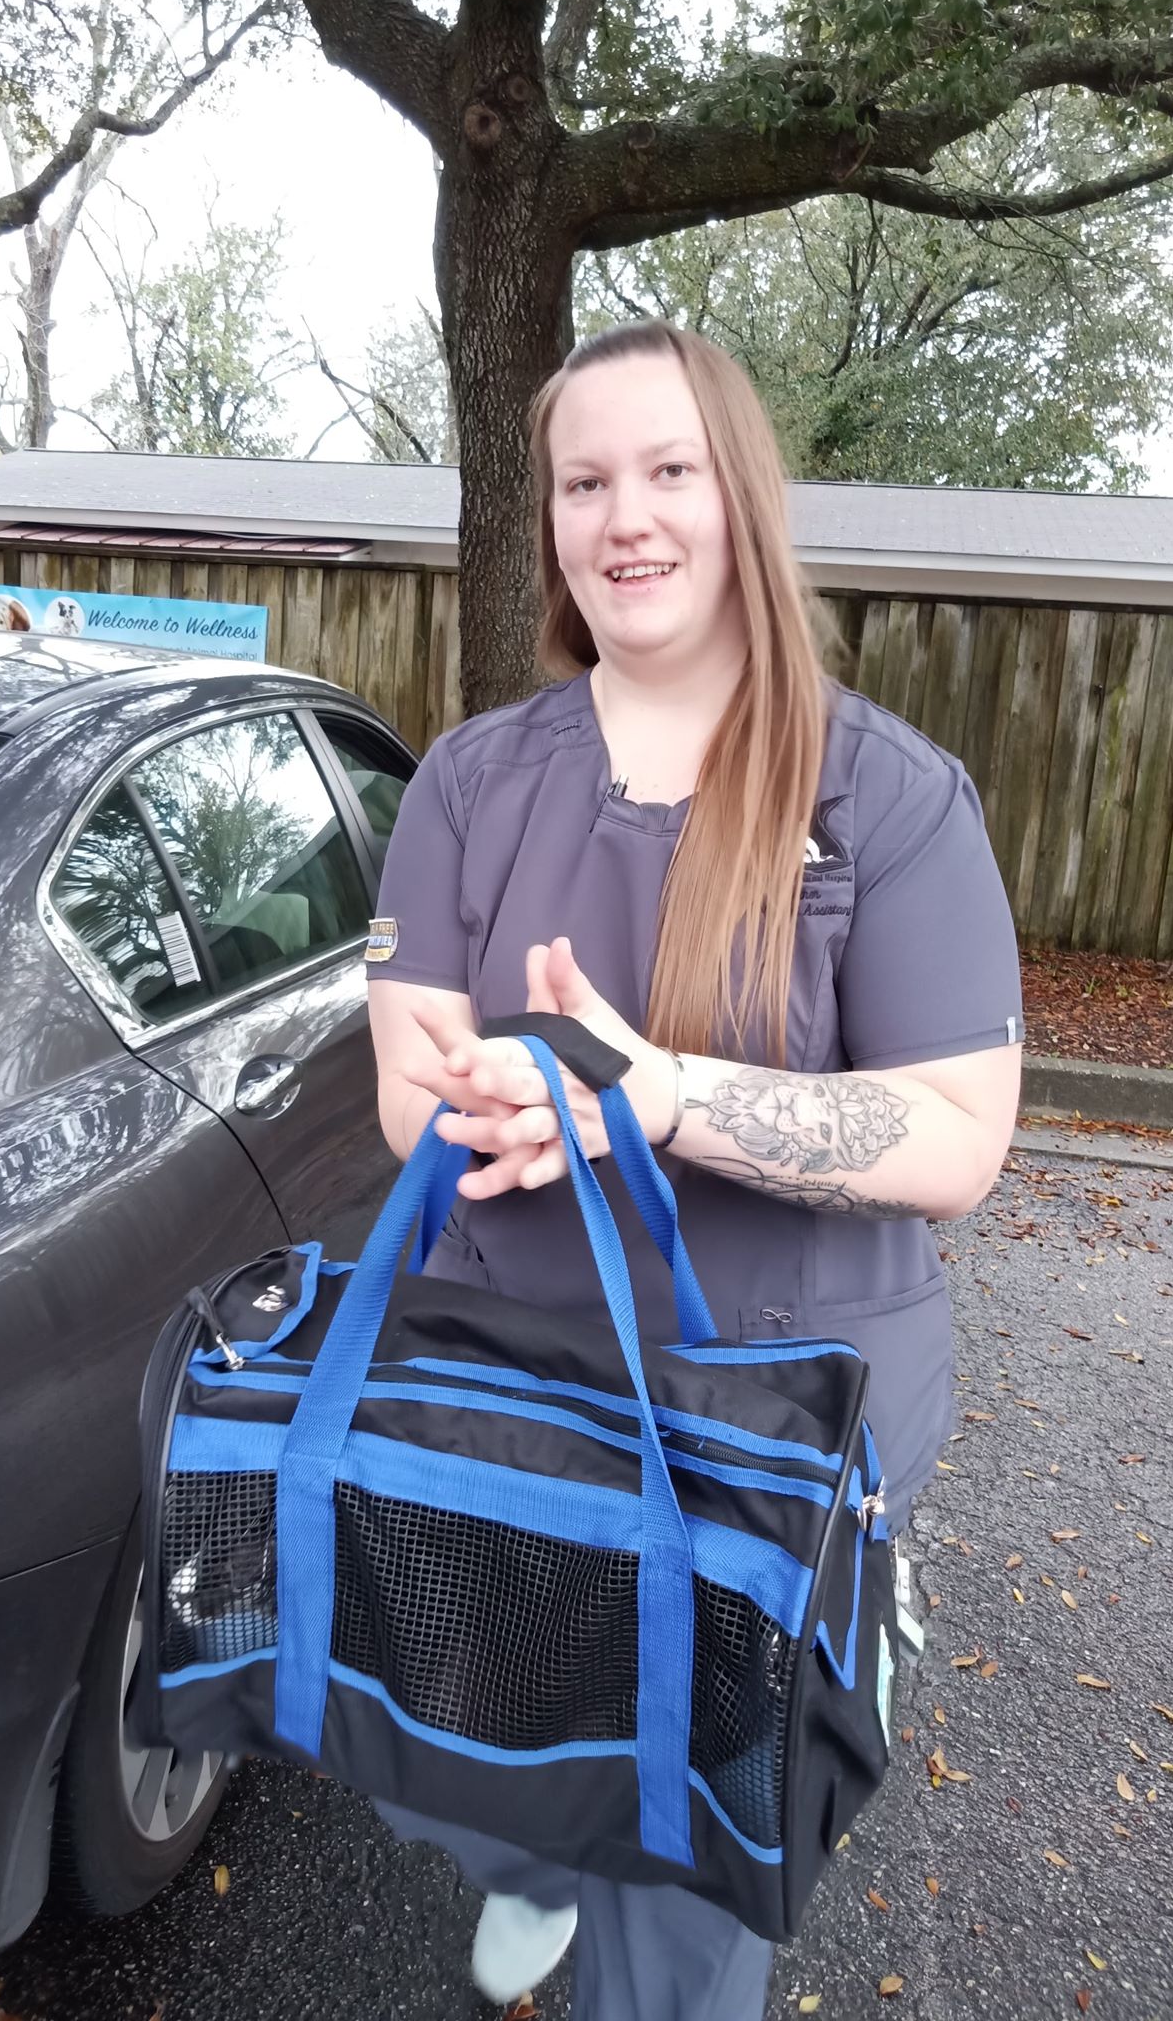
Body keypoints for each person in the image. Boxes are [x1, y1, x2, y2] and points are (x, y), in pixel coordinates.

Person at [364, 319, 1023, 2021]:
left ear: (740, 500)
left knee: (678, 1864)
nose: (626, 517)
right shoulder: (467, 782)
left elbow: (956, 1137)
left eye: (670, 471)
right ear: (553, 520)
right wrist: (497, 1106)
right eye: (587, 481)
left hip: (774, 1422)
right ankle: (527, 1857)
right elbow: (404, 1089)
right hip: (519, 1382)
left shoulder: (887, 798)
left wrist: (660, 1102)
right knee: (446, 1738)